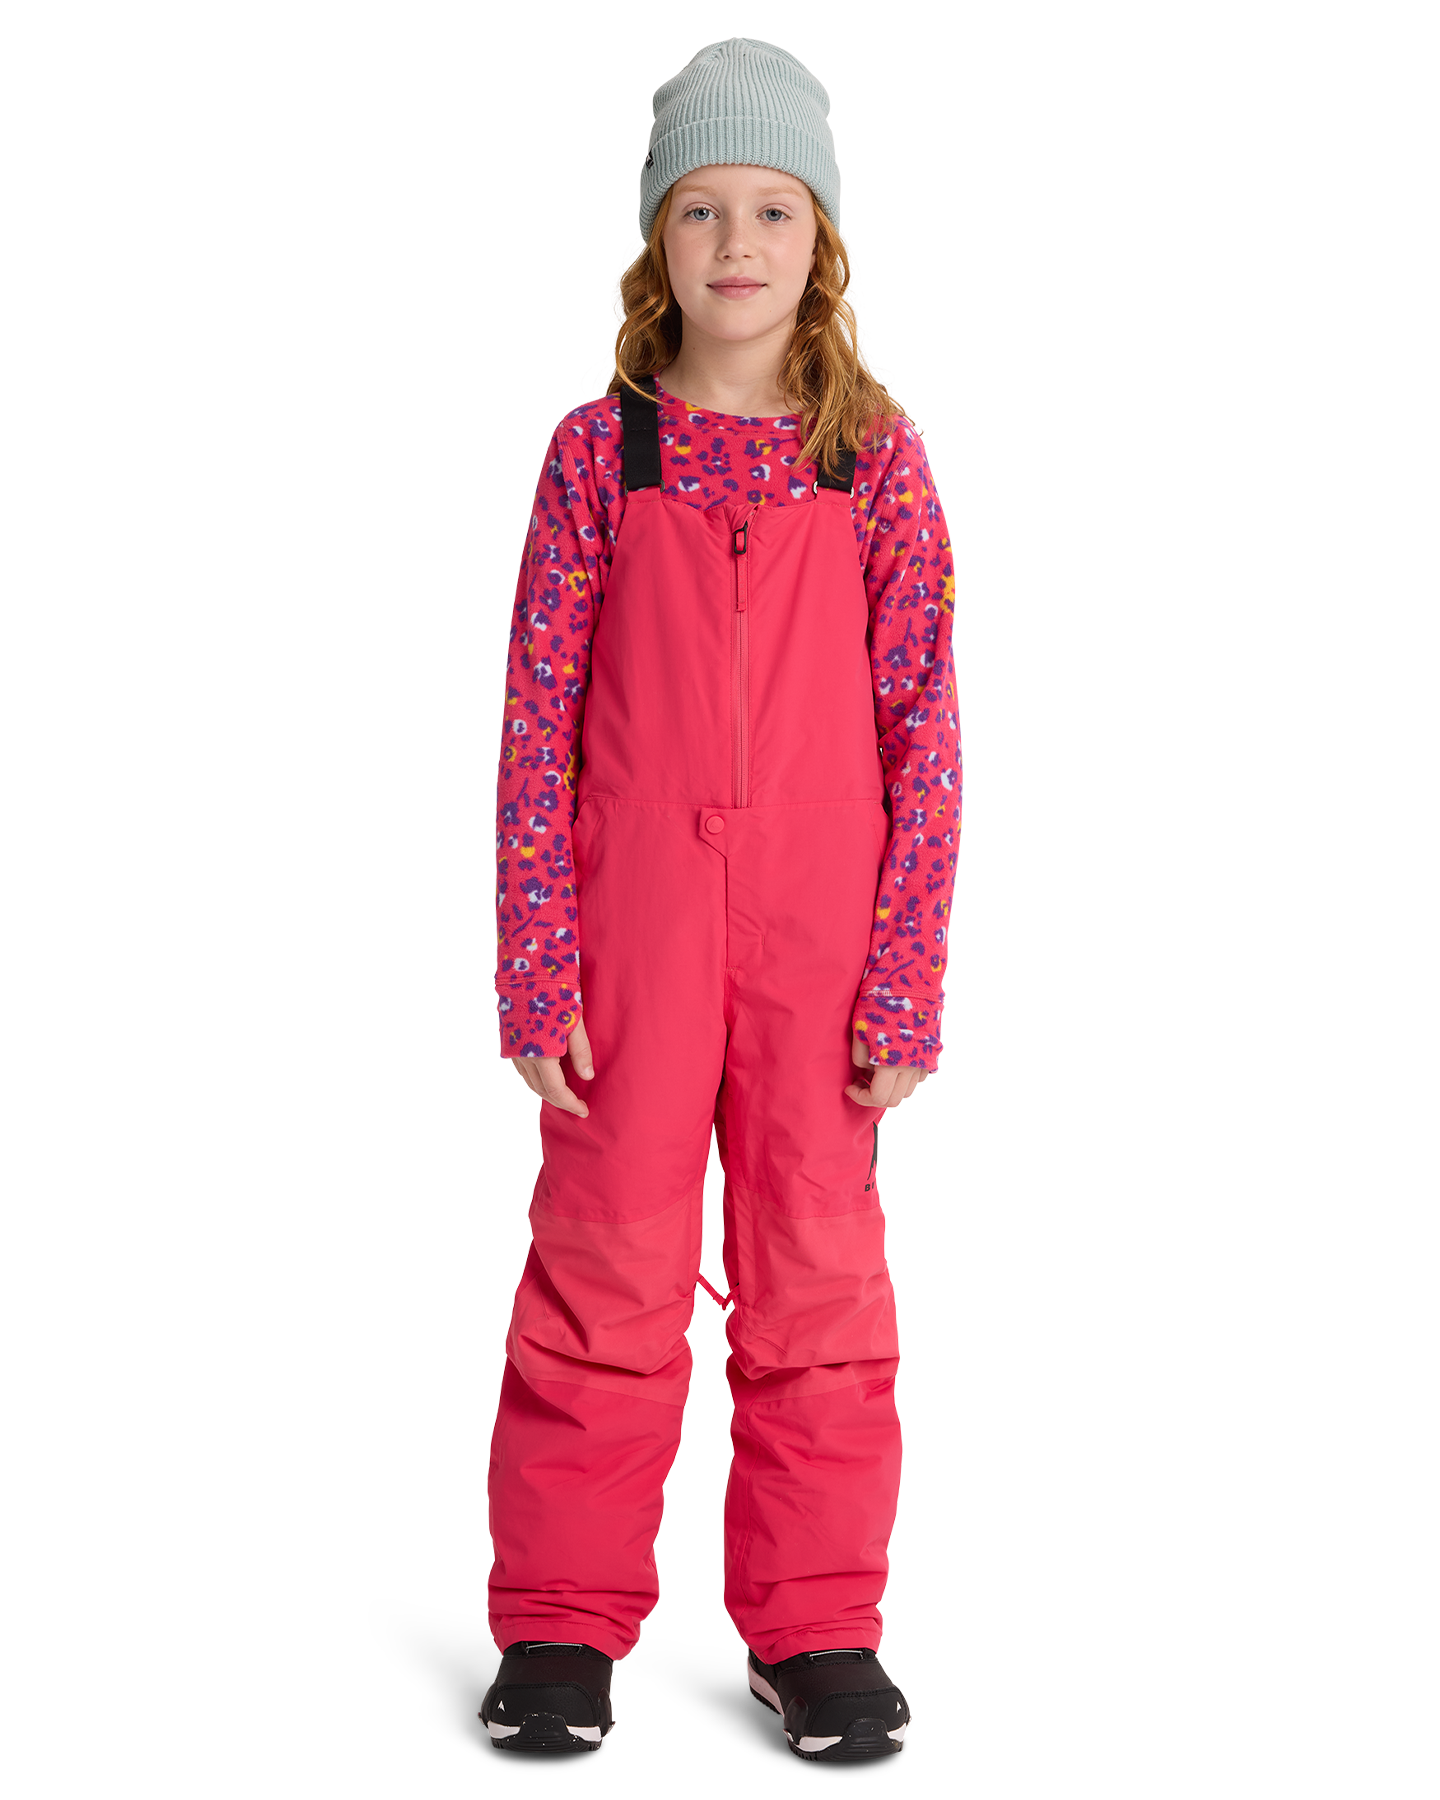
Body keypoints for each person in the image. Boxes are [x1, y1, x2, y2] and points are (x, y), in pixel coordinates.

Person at [479, 39, 958, 1763]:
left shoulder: (873, 461)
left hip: (819, 947)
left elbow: (927, 731)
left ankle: (814, 1626)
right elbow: (537, 721)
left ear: (819, 242)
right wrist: (539, 971)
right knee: (602, 1270)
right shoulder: (599, 456)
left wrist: (903, 982)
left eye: (771, 208)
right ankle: (557, 1623)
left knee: (816, 1282)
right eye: (699, 209)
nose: (735, 242)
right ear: (656, 242)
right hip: (632, 934)